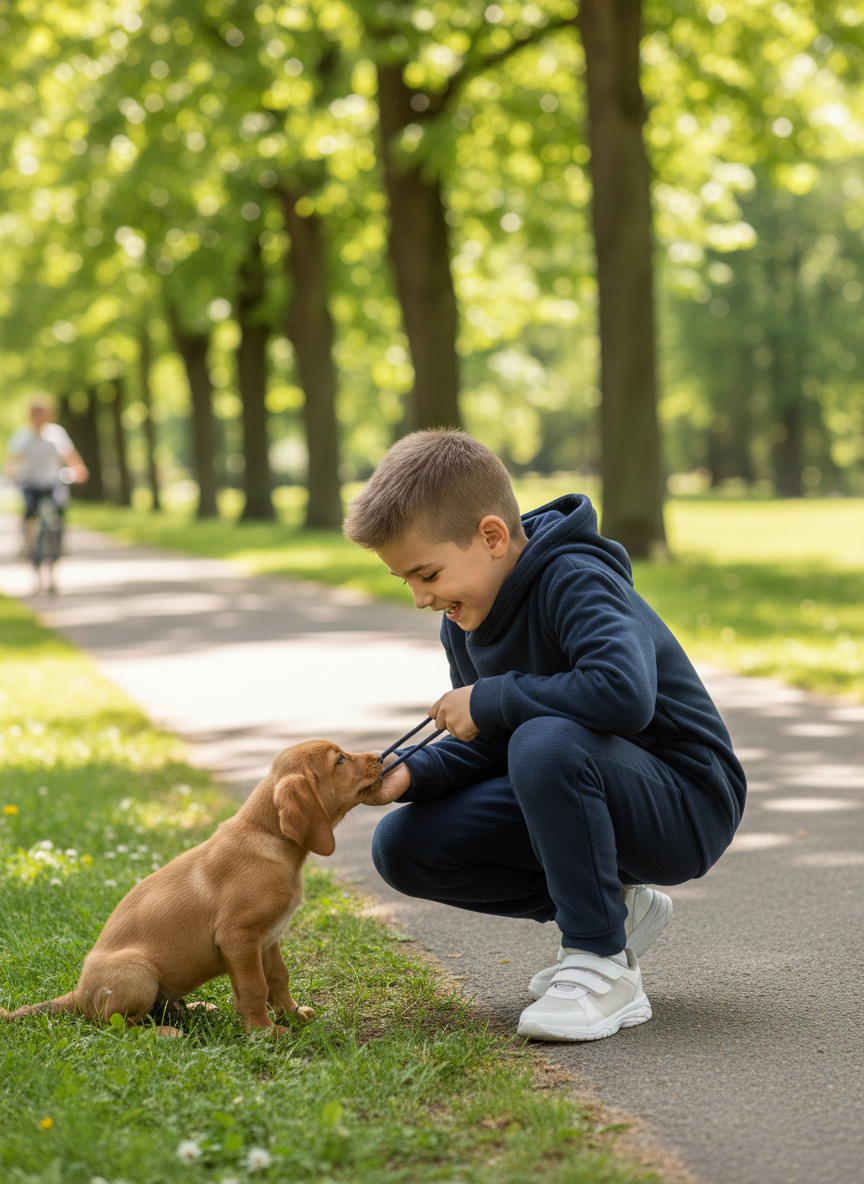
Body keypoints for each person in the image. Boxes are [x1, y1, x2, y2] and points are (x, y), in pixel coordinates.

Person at [343, 429, 746, 1043]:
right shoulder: (465, 621)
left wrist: (493, 697)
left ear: (492, 537)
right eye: (408, 582)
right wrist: (417, 772)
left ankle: (601, 962)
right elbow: (493, 740)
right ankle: (614, 909)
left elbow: (623, 694)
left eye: (428, 573)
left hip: (686, 802)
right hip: (583, 783)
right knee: (404, 846)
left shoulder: (575, 577)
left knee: (546, 742)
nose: (422, 597)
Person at [5, 395, 88, 578]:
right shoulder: (22, 436)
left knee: (60, 509)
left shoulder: (56, 434)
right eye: (35, 414)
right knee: (29, 510)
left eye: (42, 414)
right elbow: (12, 460)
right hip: (30, 482)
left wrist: (78, 469)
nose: (38, 418)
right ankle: (27, 543)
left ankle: (58, 544)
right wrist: (12, 472)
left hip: (52, 481)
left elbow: (71, 456)